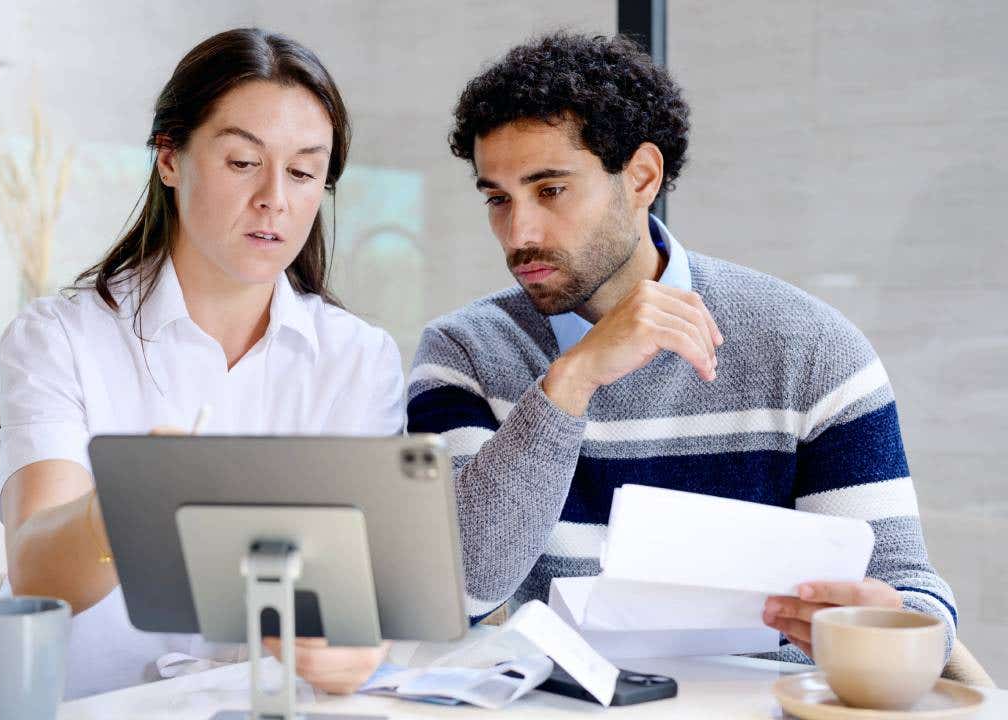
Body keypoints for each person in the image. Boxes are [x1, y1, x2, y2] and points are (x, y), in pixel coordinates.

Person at [407, 31, 957, 663]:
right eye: (498, 199)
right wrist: (572, 380)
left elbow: (918, 604)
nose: (518, 233)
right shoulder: (465, 352)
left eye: (550, 190)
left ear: (642, 176)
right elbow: (455, 595)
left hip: (764, 703)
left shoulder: (810, 348)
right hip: (563, 705)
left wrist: (888, 622)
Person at [0, 28, 400, 699]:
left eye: (303, 173)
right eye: (243, 162)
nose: (275, 197)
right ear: (169, 159)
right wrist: (125, 503)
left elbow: (365, 597)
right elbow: (36, 573)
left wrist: (353, 648)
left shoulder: (360, 359)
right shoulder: (57, 339)